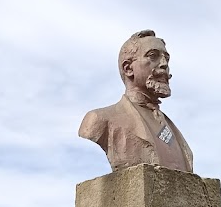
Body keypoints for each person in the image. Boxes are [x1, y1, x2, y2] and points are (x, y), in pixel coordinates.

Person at [79, 30, 194, 173]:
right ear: (128, 69)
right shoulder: (99, 119)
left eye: (166, 58)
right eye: (153, 56)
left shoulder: (170, 127)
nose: (164, 64)